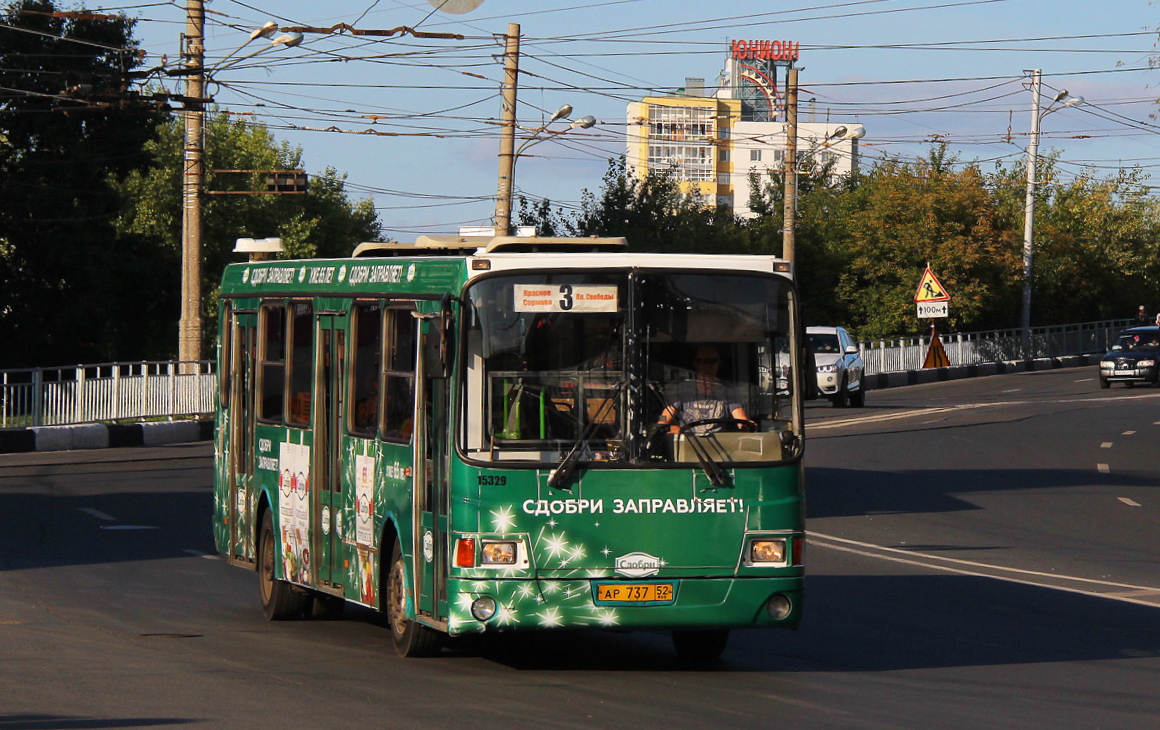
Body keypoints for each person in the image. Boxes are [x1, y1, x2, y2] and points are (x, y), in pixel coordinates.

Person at [657, 345, 753, 435]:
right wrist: (670, 426)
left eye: (712, 361)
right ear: (695, 363)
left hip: (719, 446)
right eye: (702, 361)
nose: (707, 366)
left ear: (719, 363)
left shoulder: (728, 391)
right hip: (689, 444)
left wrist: (746, 424)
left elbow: (740, 418)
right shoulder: (683, 389)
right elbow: (665, 416)